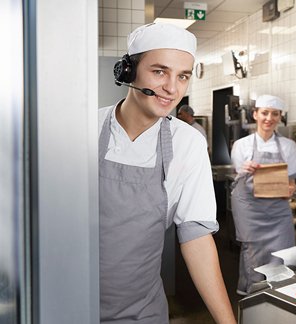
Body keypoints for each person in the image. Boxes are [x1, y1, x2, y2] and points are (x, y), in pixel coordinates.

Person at [98, 23, 236, 324]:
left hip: (141, 312)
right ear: (128, 71)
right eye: (159, 71)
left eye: (182, 76)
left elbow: (196, 236)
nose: (172, 89)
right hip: (64, 301)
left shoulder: (188, 143)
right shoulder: (83, 128)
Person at [230, 94, 296, 295]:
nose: (269, 118)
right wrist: (244, 169)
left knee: (284, 250)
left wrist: (290, 189)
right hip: (250, 210)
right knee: (253, 251)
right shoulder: (241, 145)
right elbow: (236, 177)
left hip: (277, 210)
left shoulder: (288, 146)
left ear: (280, 117)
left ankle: (279, 295)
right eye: (264, 113)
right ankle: (254, 295)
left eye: (275, 114)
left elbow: (292, 183)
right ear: (255, 115)